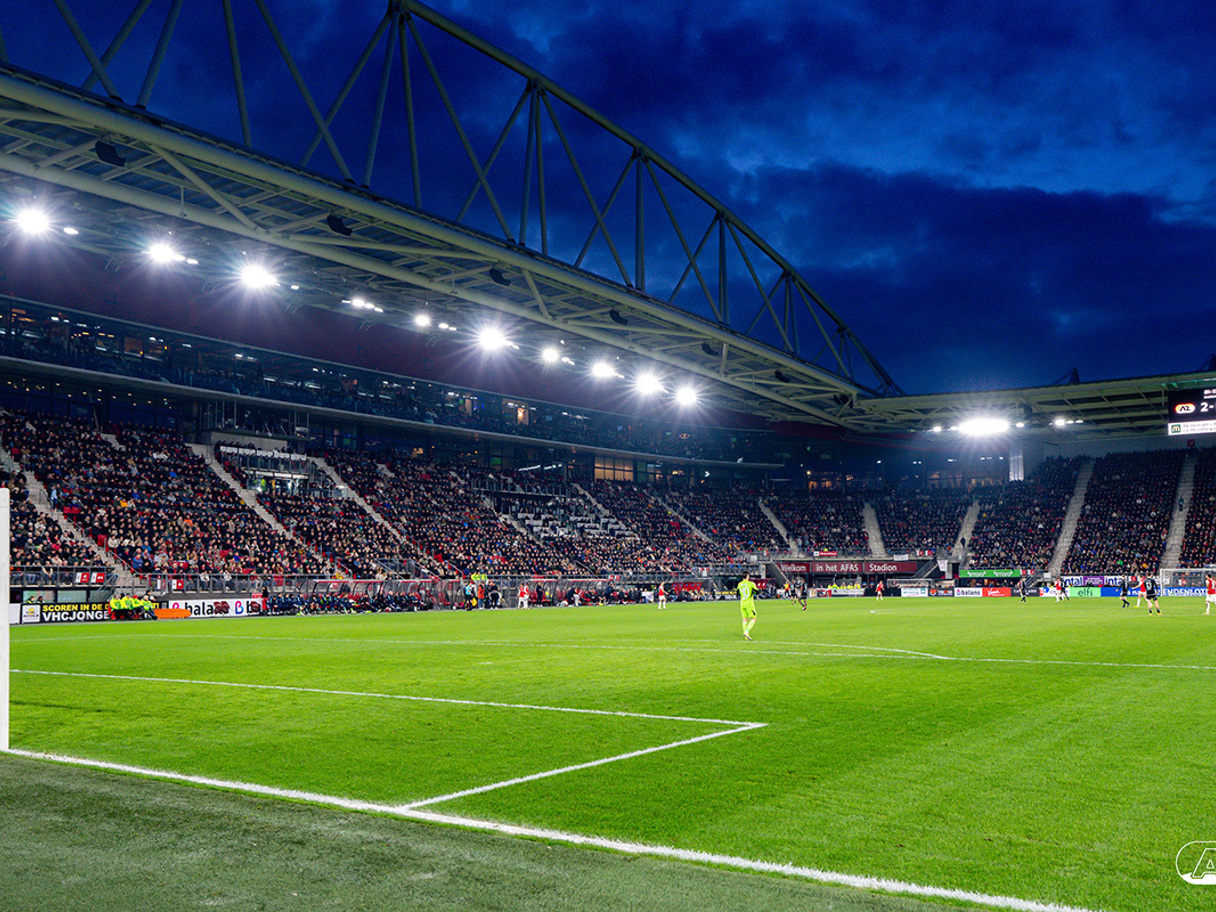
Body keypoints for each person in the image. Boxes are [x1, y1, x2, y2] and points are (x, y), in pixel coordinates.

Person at [737, 573, 759, 640]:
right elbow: (757, 592)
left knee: (744, 619)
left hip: (742, 603)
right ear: (747, 576)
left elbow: (737, 594)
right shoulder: (751, 584)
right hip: (749, 604)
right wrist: (753, 592)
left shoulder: (739, 584)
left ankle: (746, 636)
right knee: (754, 618)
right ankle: (746, 632)